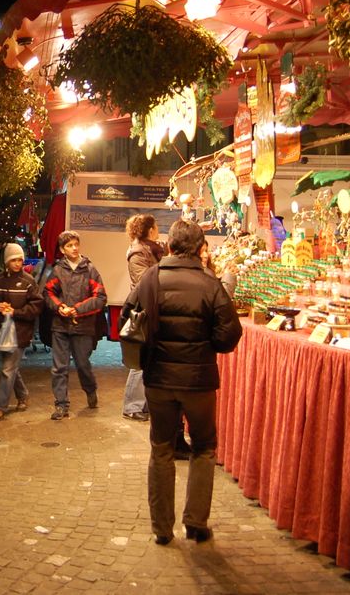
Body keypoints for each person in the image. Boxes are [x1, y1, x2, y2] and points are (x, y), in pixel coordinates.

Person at [122, 220, 242, 546]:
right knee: (203, 449)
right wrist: (208, 346)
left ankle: (162, 528)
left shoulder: (151, 277)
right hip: (199, 382)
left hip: (159, 379)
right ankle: (196, 523)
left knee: (161, 449)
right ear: (200, 248)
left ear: (171, 246)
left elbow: (127, 318)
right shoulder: (210, 284)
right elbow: (230, 334)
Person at [43, 230, 107, 420]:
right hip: (60, 326)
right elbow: (48, 293)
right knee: (59, 368)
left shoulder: (90, 270)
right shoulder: (57, 270)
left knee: (82, 364)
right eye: (70, 245)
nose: (74, 248)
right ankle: (61, 405)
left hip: (83, 326)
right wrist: (59, 307)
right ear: (63, 249)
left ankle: (90, 390)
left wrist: (77, 309)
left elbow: (101, 297)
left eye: (76, 244)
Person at [0, 243, 42, 423]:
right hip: (3, 329)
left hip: (21, 331)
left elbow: (36, 306)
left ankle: (0, 407)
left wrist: (15, 312)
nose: (17, 263)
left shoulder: (28, 281)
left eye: (20, 260)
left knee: (8, 369)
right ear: (7, 261)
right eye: (14, 260)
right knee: (11, 368)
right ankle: (23, 396)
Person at [122, 214, 164, 423]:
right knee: (139, 361)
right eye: (156, 227)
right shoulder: (138, 252)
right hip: (142, 310)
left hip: (150, 308)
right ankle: (132, 406)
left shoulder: (151, 248)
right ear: (149, 230)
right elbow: (144, 281)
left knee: (147, 359)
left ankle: (142, 404)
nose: (158, 230)